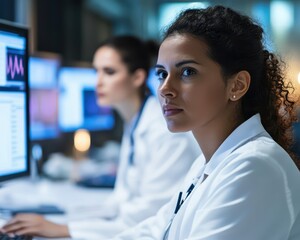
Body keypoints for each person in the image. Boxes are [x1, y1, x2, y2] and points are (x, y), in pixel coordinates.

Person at [106, 6, 300, 239]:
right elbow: (157, 230)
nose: (165, 89)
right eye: (161, 74)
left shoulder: (255, 167)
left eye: (187, 72)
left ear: (237, 85)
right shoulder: (205, 163)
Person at [0, 36, 199, 239]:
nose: (98, 82)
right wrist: (63, 219)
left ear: (137, 77)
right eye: (96, 71)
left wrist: (64, 229)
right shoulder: (136, 122)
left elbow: (147, 217)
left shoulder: (165, 133)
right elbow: (119, 203)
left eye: (109, 72)